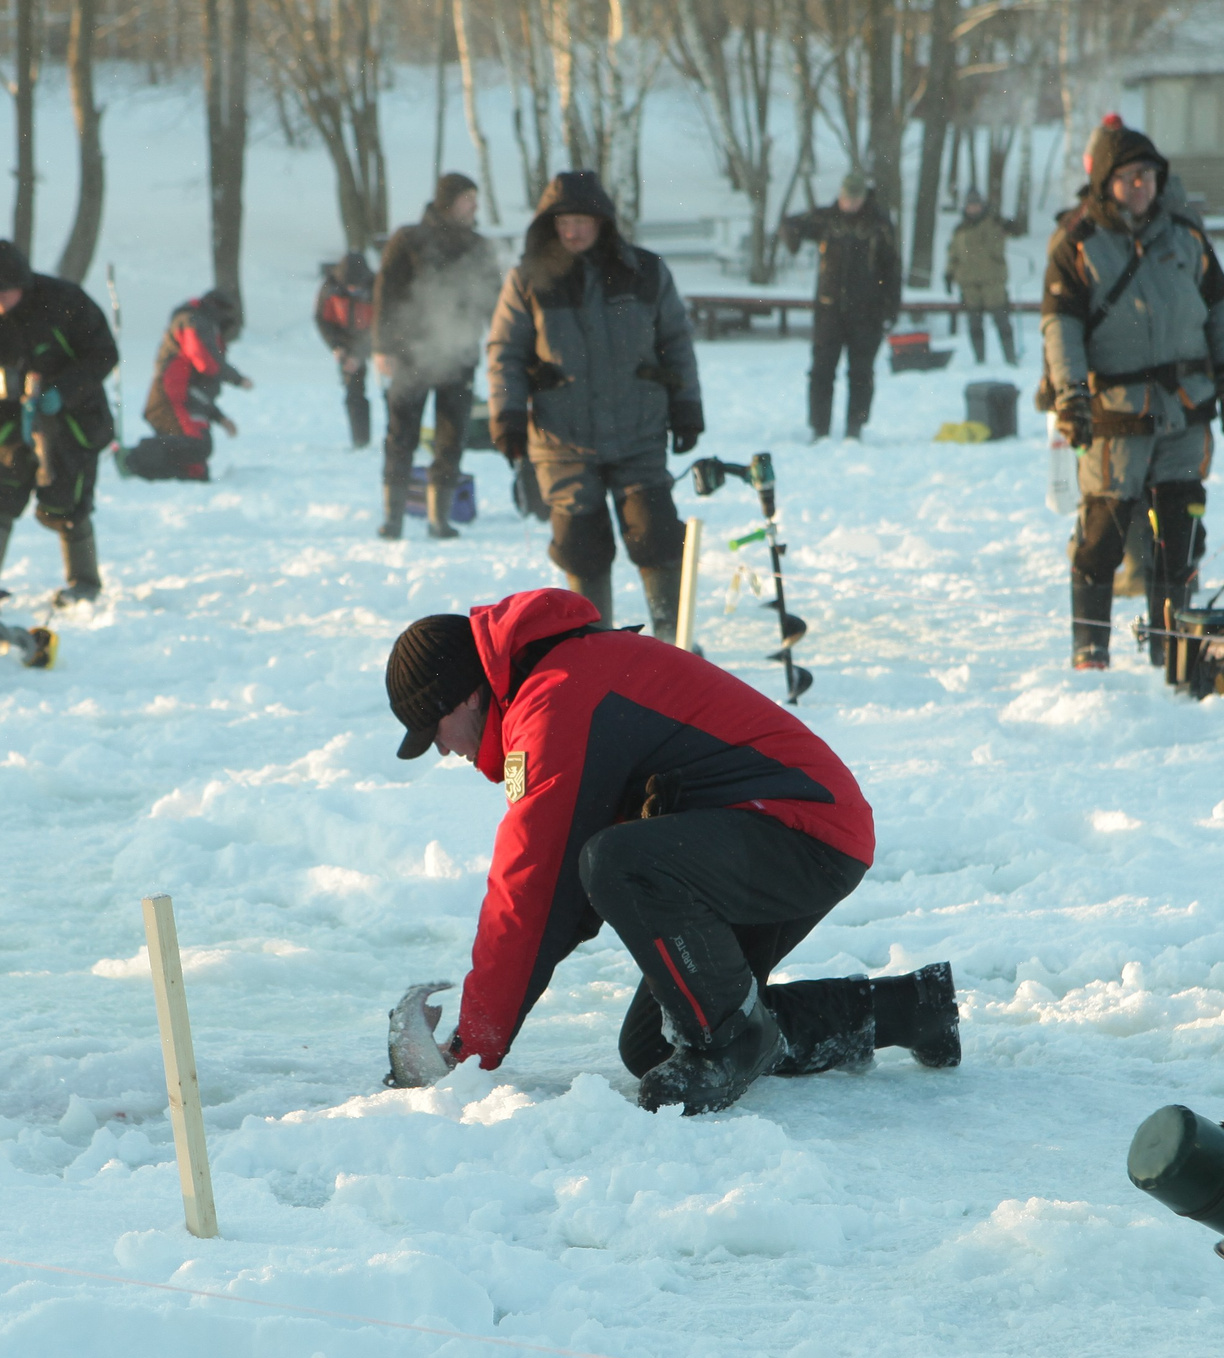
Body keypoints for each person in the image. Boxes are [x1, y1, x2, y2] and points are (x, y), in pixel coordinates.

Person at [382, 589, 958, 1114]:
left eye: (433, 730)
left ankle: (731, 1042)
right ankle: (911, 1010)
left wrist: (470, 1050)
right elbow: (557, 900)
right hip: (769, 838)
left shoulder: (556, 699)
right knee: (658, 1045)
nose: (441, 750)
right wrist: (476, 1042)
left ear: (466, 695)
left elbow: (531, 889)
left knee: (620, 866)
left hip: (803, 830)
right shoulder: (555, 684)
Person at [1040, 125, 1224, 670]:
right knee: (1101, 538)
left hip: (1184, 410)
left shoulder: (1186, 237)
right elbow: (1061, 329)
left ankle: (1171, 652)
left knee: (1180, 538)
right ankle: (1091, 652)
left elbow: (1220, 310)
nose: (1140, 187)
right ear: (1106, 182)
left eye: (1148, 177)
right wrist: (1071, 396)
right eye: (1129, 177)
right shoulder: (1077, 244)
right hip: (1114, 415)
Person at [486, 172, 703, 632]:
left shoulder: (645, 271)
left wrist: (687, 406)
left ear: (602, 221)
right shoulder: (527, 279)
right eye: (563, 221)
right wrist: (507, 415)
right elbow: (505, 352)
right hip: (562, 439)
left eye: (582, 221)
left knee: (657, 535)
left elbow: (675, 341)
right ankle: (595, 646)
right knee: (580, 547)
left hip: (639, 430)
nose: (573, 231)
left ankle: (673, 639)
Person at [0, 239, 119, 614]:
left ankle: (83, 583)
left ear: (22, 282)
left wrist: (62, 391)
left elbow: (103, 353)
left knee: (66, 498)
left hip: (71, 416)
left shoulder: (65, 301)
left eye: (4, 293)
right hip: (2, 420)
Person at [374, 172, 505, 540]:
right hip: (411, 353)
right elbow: (386, 294)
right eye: (468, 199)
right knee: (401, 436)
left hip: (459, 354)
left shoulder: (479, 246)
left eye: (475, 199)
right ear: (448, 201)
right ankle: (393, 518)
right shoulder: (408, 239)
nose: (474, 206)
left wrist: (502, 342)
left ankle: (439, 519)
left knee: (451, 437)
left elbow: (494, 300)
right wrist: (383, 347)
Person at [779, 171, 901, 439]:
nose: (849, 204)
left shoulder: (879, 224)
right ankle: (819, 428)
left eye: (854, 199)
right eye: (846, 198)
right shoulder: (827, 218)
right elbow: (791, 223)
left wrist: (891, 307)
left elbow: (892, 268)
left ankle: (855, 428)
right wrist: (791, 237)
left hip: (867, 311)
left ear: (864, 198)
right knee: (821, 371)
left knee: (861, 373)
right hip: (829, 309)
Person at [124, 289, 251, 483]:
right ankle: (134, 458)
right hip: (170, 399)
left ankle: (146, 470)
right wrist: (237, 379)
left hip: (183, 400)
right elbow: (206, 362)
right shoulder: (191, 322)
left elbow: (198, 389)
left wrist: (220, 417)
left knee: (197, 471)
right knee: (198, 445)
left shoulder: (201, 323)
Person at [943, 189, 1021, 366]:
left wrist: (1008, 224)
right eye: (970, 205)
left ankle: (1010, 358)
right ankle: (979, 360)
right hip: (969, 283)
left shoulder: (994, 224)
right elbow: (953, 255)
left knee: (1002, 321)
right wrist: (949, 274)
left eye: (976, 205)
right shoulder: (960, 230)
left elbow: (1016, 230)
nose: (973, 208)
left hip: (993, 281)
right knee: (974, 325)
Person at [314, 249, 377, 450]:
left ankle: (400, 439)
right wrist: (337, 347)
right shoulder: (330, 287)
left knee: (394, 391)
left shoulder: (376, 286)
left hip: (378, 341)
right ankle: (360, 441)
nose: (353, 289)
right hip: (345, 341)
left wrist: (361, 354)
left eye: (357, 286)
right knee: (353, 391)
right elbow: (322, 320)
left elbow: (383, 323)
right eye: (349, 286)